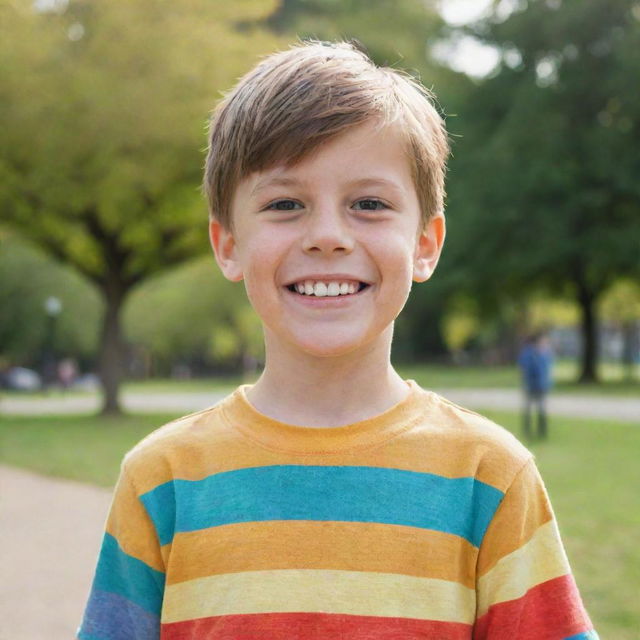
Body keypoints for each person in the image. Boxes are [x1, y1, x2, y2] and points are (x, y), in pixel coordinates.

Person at [78, 41, 597, 639]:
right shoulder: (161, 478)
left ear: (425, 244)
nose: (327, 236)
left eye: (369, 204)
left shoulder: (490, 477)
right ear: (228, 245)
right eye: (285, 204)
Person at [518, 331, 554, 441]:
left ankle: (542, 432)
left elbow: (548, 369)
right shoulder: (529, 353)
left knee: (541, 410)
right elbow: (524, 367)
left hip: (542, 386)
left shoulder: (545, 353)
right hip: (531, 386)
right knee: (528, 410)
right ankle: (527, 432)